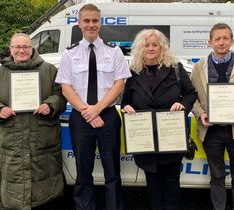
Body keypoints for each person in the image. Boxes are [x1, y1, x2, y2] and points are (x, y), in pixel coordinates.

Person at [55, 3, 131, 210]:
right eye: (86, 21)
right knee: (83, 171)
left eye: (95, 20)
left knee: (112, 171)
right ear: (79, 23)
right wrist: (88, 112)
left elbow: (119, 84)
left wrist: (97, 109)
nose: (91, 25)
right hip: (81, 117)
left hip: (107, 115)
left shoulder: (114, 51)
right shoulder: (69, 54)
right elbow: (66, 88)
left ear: (100, 22)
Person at [0, 32, 67, 210]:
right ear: (11, 49)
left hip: (43, 141)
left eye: (26, 46)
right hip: (12, 141)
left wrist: (50, 105)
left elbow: (61, 95)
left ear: (32, 48)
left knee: (46, 192)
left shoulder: (49, 70)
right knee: (15, 192)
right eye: (17, 47)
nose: (22, 50)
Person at [121, 29, 197, 210]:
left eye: (155, 44)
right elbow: (126, 101)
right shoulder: (133, 72)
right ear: (140, 48)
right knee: (152, 186)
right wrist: (127, 108)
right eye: (146, 45)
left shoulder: (176, 69)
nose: (151, 48)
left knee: (171, 186)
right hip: (145, 142)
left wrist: (182, 106)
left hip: (171, 139)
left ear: (162, 47)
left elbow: (191, 93)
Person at [190, 23, 234, 210]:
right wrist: (200, 113)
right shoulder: (199, 67)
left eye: (225, 38)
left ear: (232, 41)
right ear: (210, 42)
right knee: (217, 177)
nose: (221, 42)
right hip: (211, 132)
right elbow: (191, 96)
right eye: (217, 39)